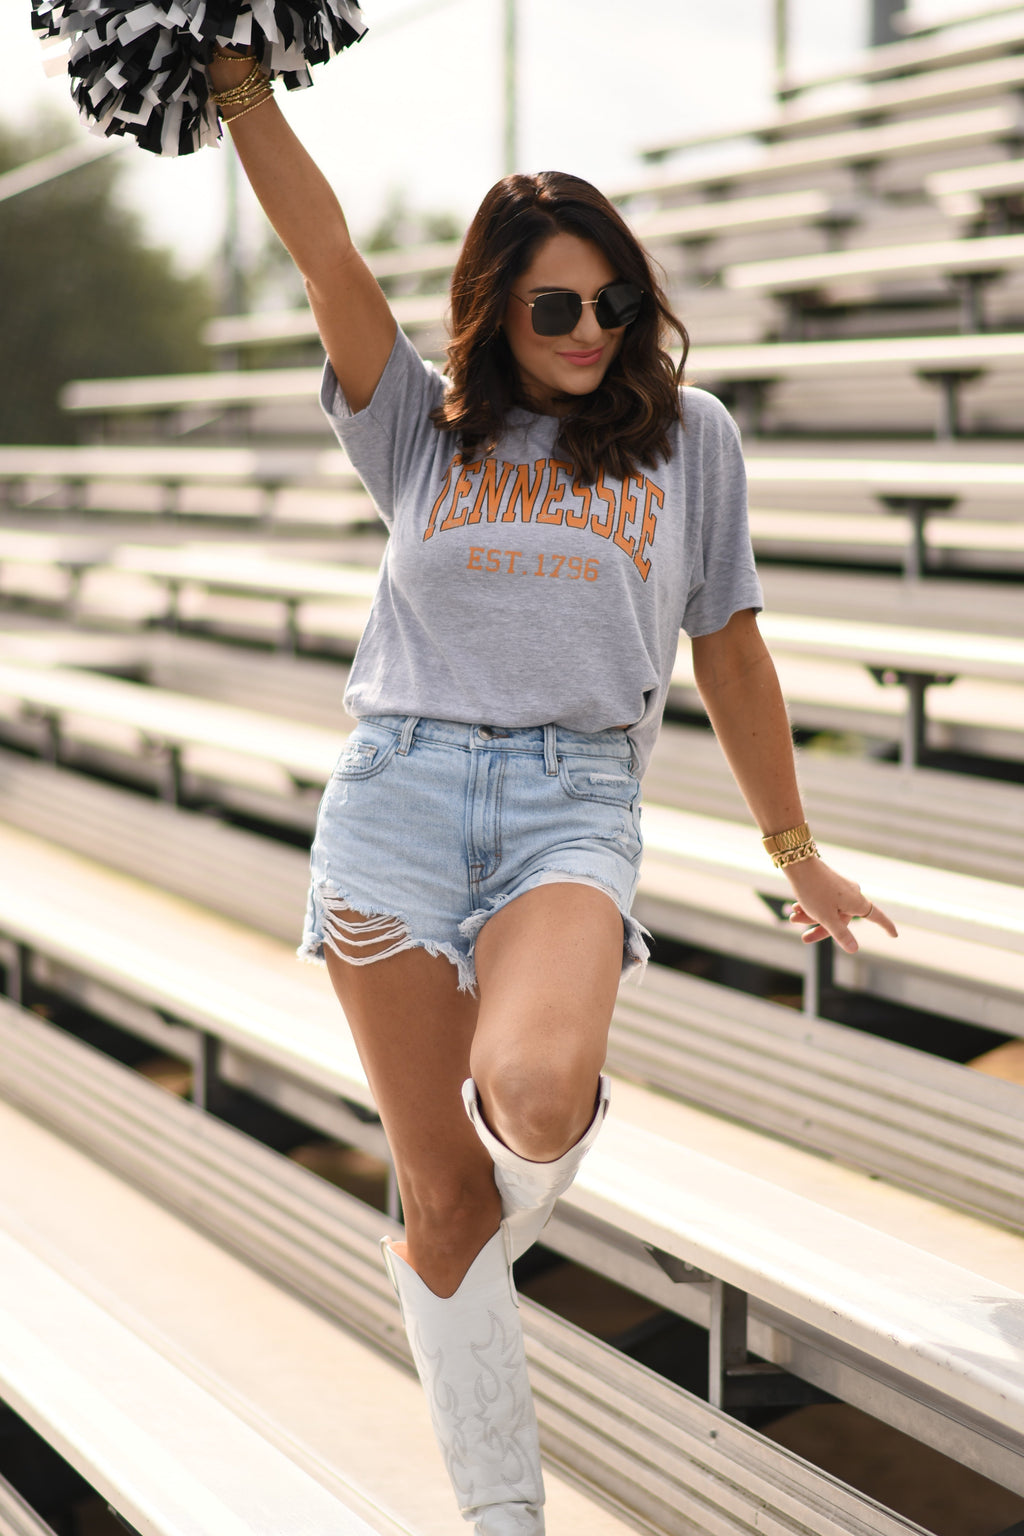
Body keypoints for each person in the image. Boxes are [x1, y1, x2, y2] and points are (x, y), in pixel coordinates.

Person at [205, 49, 898, 1536]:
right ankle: (500, 1513)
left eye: (616, 304)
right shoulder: (419, 423)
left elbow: (731, 647)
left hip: (571, 808)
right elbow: (325, 248)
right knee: (447, 1202)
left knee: (530, 1097)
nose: (593, 330)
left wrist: (797, 844)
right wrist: (235, 81)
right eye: (557, 307)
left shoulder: (687, 440)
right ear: (497, 310)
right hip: (393, 801)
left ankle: (442, 1245)